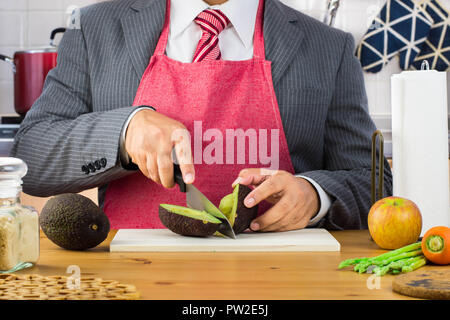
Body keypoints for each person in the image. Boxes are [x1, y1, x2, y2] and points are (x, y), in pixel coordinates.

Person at [11, 0, 392, 231]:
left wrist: (315, 195)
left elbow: (373, 184)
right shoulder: (95, 29)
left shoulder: (328, 47)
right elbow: (32, 157)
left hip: (283, 279)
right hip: (132, 279)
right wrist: (124, 132)